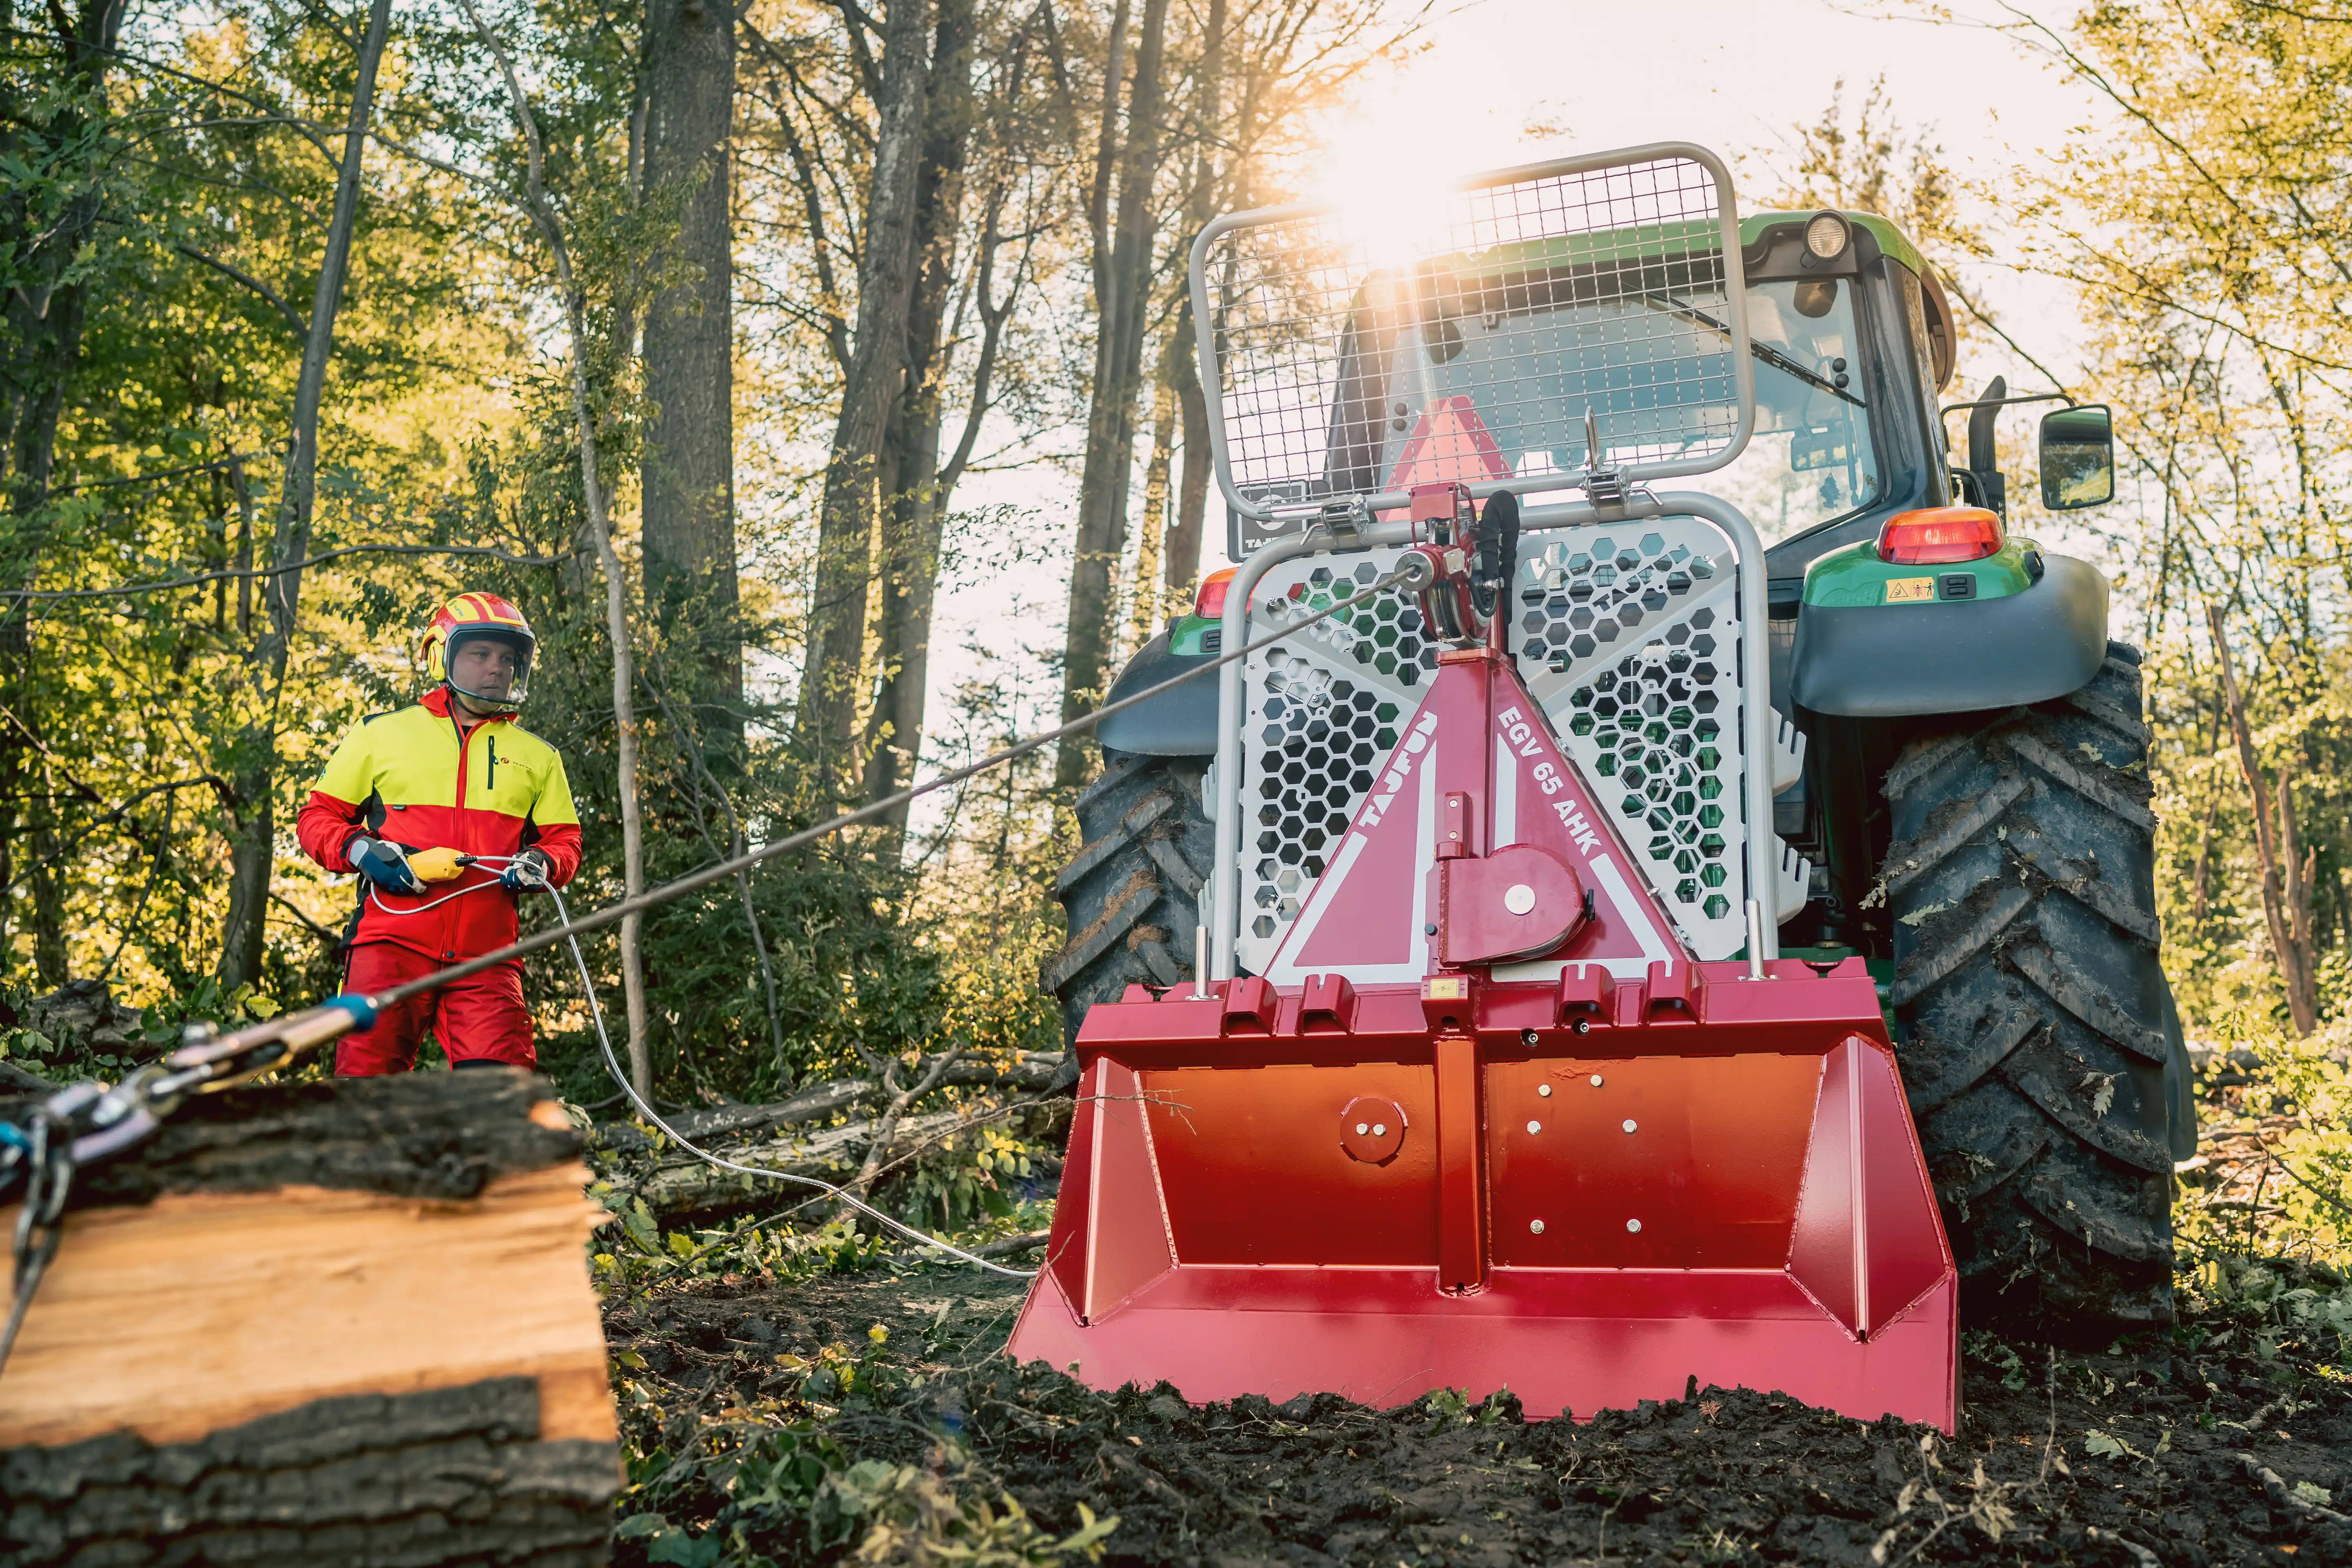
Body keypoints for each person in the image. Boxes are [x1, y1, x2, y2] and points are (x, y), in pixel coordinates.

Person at [297, 592, 583, 1074]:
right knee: (366, 1090)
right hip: (389, 947)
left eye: (508, 658)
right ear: (440, 654)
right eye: (481, 654)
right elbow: (317, 819)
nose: (497, 668)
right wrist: (362, 849)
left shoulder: (539, 757)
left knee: (501, 1096)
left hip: (487, 957)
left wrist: (543, 863)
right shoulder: (380, 735)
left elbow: (565, 843)